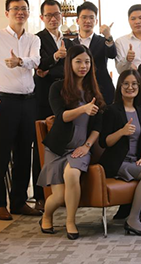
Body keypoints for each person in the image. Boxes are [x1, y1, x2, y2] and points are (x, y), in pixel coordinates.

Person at [0, 0, 42, 220]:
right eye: (15, 8)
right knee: (1, 155)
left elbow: (36, 61)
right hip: (4, 102)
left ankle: (18, 202)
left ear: (28, 13)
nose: (20, 12)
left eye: (24, 8)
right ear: (7, 13)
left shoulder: (34, 39)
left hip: (29, 102)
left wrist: (20, 61)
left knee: (24, 155)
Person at [37, 45, 104, 239]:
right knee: (58, 196)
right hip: (57, 148)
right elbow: (61, 116)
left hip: (80, 148)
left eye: (87, 62)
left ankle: (70, 221)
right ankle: (47, 216)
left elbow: (97, 127)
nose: (83, 66)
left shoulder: (93, 91)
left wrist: (87, 146)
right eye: (79, 61)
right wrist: (83, 109)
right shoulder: (57, 87)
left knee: (72, 174)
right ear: (69, 64)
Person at [99, 69, 141, 236]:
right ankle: (132, 218)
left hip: (134, 161)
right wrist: (121, 132)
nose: (130, 87)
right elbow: (104, 142)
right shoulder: (111, 110)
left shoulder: (139, 110)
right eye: (126, 84)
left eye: (134, 84)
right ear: (120, 86)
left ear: (139, 87)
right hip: (117, 162)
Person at [33, 0, 71, 211]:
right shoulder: (36, 39)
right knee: (41, 144)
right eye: (48, 15)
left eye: (56, 14)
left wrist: (50, 67)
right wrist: (55, 58)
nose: (53, 18)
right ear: (42, 17)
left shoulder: (68, 41)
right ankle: (40, 195)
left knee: (63, 144)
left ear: (61, 16)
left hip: (65, 98)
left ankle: (62, 193)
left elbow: (69, 70)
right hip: (44, 98)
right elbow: (38, 66)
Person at [69, 1, 116, 104]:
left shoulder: (103, 41)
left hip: (102, 89)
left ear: (96, 21)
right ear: (77, 20)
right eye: (84, 17)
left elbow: (112, 54)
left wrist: (108, 36)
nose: (88, 21)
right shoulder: (71, 44)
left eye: (91, 18)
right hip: (78, 91)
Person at [115, 4, 141, 74]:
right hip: (131, 79)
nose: (137, 22)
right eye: (133, 19)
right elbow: (120, 71)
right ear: (128, 21)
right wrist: (127, 60)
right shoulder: (120, 42)